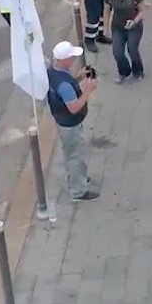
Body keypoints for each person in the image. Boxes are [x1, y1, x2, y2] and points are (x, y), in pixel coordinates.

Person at [46, 41, 100, 202]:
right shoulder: (64, 85)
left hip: (62, 121)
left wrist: (79, 78)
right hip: (71, 123)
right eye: (71, 57)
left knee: (70, 153)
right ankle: (78, 190)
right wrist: (88, 90)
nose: (74, 60)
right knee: (77, 155)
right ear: (64, 60)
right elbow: (74, 107)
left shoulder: (54, 72)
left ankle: (76, 178)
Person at [103, 0, 146, 83]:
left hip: (134, 27)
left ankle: (138, 71)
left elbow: (142, 10)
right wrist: (105, 28)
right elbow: (106, 11)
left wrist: (134, 21)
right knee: (117, 52)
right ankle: (124, 71)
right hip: (118, 27)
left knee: (132, 49)